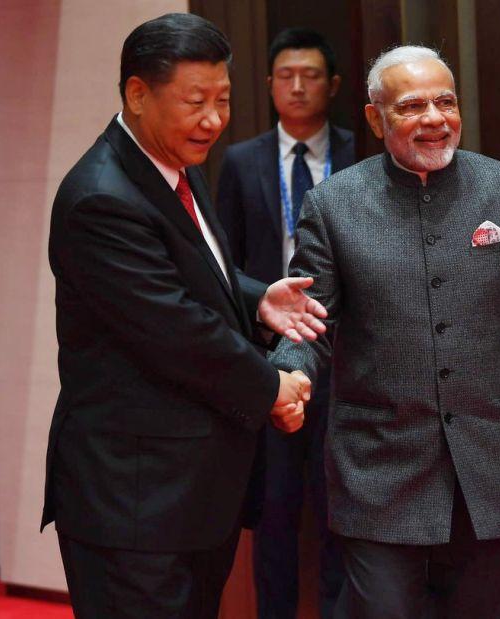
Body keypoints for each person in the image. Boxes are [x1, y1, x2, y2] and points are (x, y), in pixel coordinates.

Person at [270, 45, 500, 619]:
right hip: (378, 467)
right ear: (375, 119)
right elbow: (308, 321)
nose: (435, 119)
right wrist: (289, 370)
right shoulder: (335, 205)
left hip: (493, 468)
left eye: (446, 101)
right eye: (413, 107)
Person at [40, 13, 329, 619]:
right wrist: (274, 386)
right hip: (133, 502)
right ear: (137, 94)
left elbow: (190, 274)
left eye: (223, 100)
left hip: (186, 496)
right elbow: (174, 330)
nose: (214, 120)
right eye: (195, 101)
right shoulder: (101, 198)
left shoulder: (172, 166)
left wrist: (256, 298)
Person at [216, 27, 353, 619]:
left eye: (312, 75)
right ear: (270, 84)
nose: (298, 87)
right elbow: (225, 264)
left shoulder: (359, 154)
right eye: (286, 76)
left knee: (339, 512)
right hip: (269, 360)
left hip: (344, 356)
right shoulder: (240, 161)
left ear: (335, 85)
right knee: (274, 510)